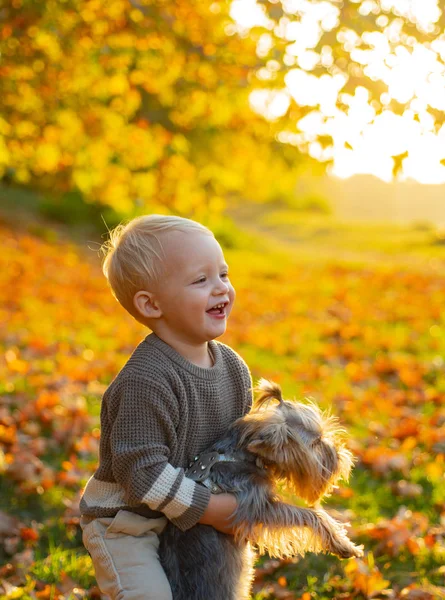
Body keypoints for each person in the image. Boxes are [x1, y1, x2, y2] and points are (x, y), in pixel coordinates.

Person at [79, 215, 253, 600]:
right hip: (128, 524)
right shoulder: (147, 381)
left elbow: (236, 449)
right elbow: (141, 473)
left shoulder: (234, 370)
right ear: (152, 304)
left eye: (223, 274)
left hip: (183, 515)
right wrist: (211, 509)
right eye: (201, 280)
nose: (221, 289)